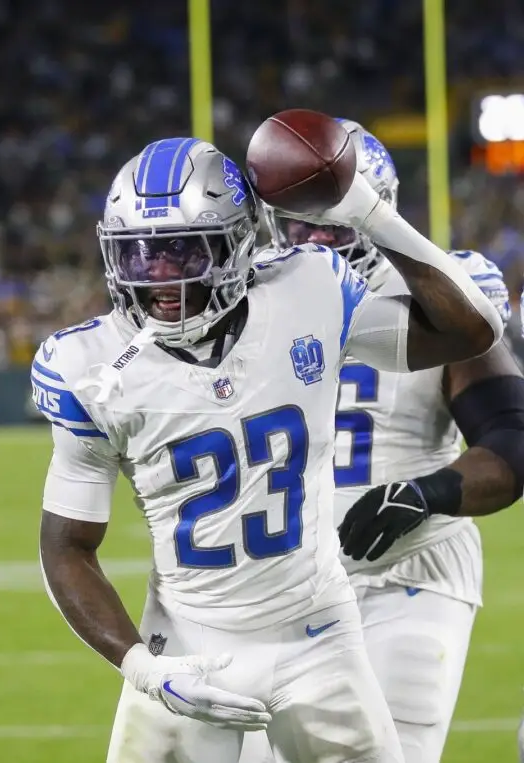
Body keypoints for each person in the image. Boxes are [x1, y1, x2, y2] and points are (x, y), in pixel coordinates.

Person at [32, 135, 504, 763]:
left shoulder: (307, 290)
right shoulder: (87, 365)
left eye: (181, 252)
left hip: (320, 633)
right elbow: (66, 544)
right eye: (140, 254)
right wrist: (142, 666)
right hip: (186, 640)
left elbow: (469, 329)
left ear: (236, 241)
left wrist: (364, 208)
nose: (159, 278)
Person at [236, 122, 524, 763]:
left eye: (332, 224)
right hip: (281, 585)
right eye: (299, 224)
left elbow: (509, 442)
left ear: (374, 214)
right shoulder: (247, 301)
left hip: (409, 575)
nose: (313, 242)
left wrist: (424, 494)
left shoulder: (441, 303)